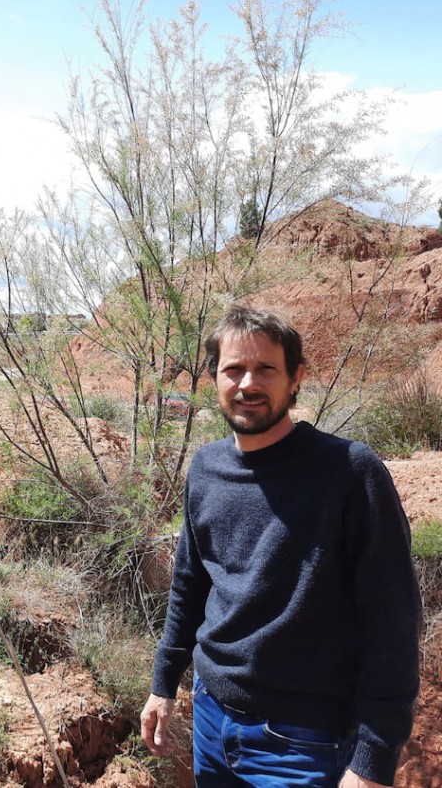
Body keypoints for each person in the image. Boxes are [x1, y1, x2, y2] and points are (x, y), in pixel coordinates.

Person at [140, 305, 421, 788]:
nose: (248, 383)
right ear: (214, 379)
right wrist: (164, 684)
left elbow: (393, 621)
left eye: (265, 368)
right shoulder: (206, 469)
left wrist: (374, 760)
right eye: (233, 369)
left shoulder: (349, 473)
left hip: (304, 743)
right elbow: (190, 584)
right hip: (210, 719)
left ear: (296, 378)